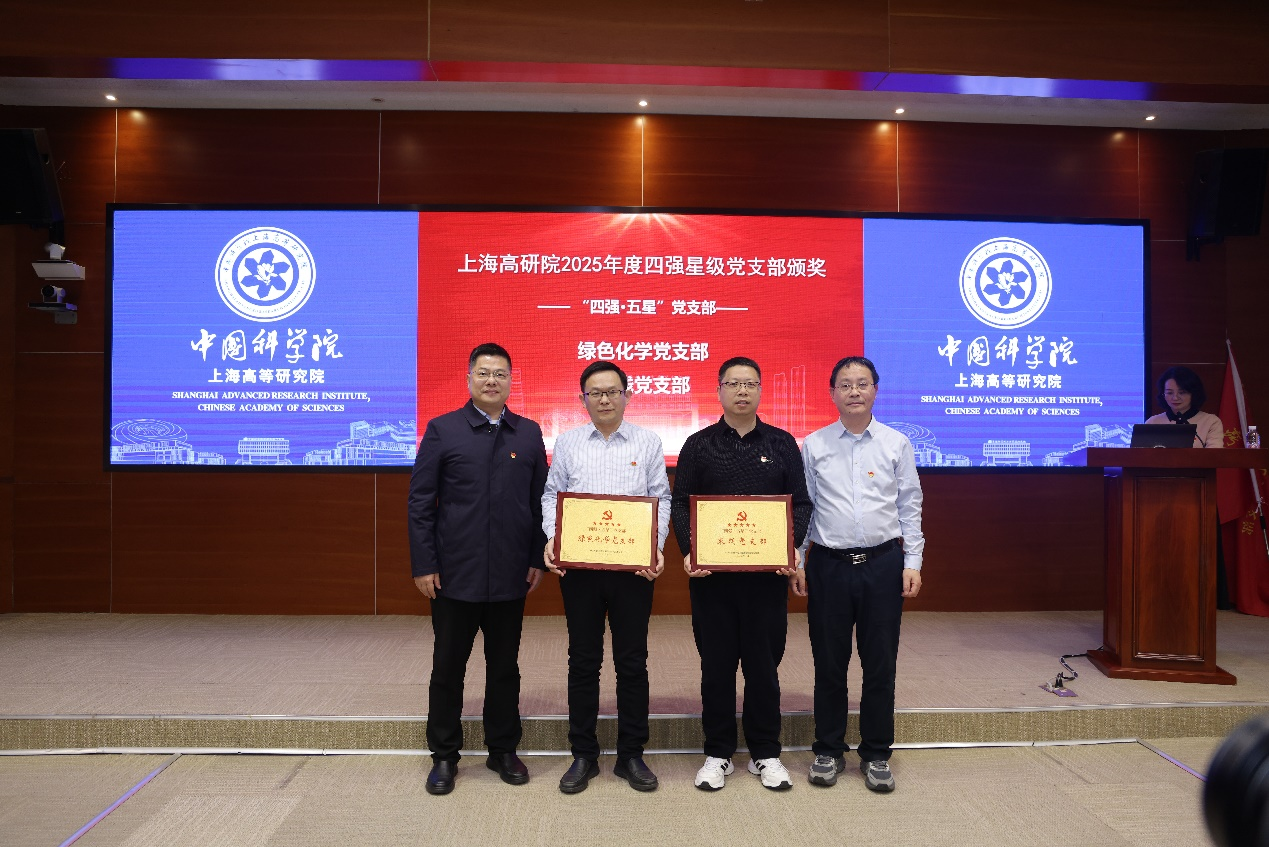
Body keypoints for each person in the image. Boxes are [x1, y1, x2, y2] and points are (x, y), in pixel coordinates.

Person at [407, 343, 548, 796]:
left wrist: (536, 558)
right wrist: (424, 564)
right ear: (469, 379)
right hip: (454, 575)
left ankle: (502, 749)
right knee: (448, 668)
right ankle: (444, 755)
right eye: (484, 373)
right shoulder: (443, 430)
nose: (492, 381)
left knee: (504, 668)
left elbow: (539, 504)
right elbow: (420, 503)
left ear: (511, 382)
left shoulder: (528, 433)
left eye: (500, 374)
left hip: (510, 574)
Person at [671, 356, 812, 792]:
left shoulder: (782, 443)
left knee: (763, 668)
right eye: (733, 384)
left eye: (750, 383)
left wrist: (790, 549)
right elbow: (680, 503)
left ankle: (765, 753)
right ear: (719, 391)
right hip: (712, 580)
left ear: (760, 390)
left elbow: (801, 504)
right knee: (716, 668)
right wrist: (690, 550)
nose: (742, 391)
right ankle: (718, 753)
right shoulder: (698, 445)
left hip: (765, 580)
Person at [542, 361, 672, 794]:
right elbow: (551, 495)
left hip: (632, 569)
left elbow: (660, 498)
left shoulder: (648, 441)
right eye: (595, 393)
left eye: (612, 391)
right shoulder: (568, 442)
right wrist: (554, 537)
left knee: (632, 662)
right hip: (580, 569)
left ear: (627, 396)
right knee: (583, 661)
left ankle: (631, 754)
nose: (604, 399)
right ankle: (583, 754)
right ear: (582, 399)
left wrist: (655, 546)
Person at [800, 356, 924, 793]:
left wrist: (913, 562)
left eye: (862, 383)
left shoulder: (896, 443)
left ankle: (876, 753)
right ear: (832, 393)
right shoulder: (814, 444)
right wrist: (798, 560)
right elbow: (805, 508)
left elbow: (910, 505)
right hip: (829, 565)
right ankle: (828, 749)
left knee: (880, 664)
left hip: (883, 564)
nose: (854, 391)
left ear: (875, 390)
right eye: (845, 384)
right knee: (829, 663)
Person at [1146, 366, 1224, 448]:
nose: (1175, 398)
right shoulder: (1153, 422)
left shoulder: (1211, 422)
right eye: (1169, 393)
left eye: (1182, 392)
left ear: (1194, 393)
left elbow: (1215, 454)